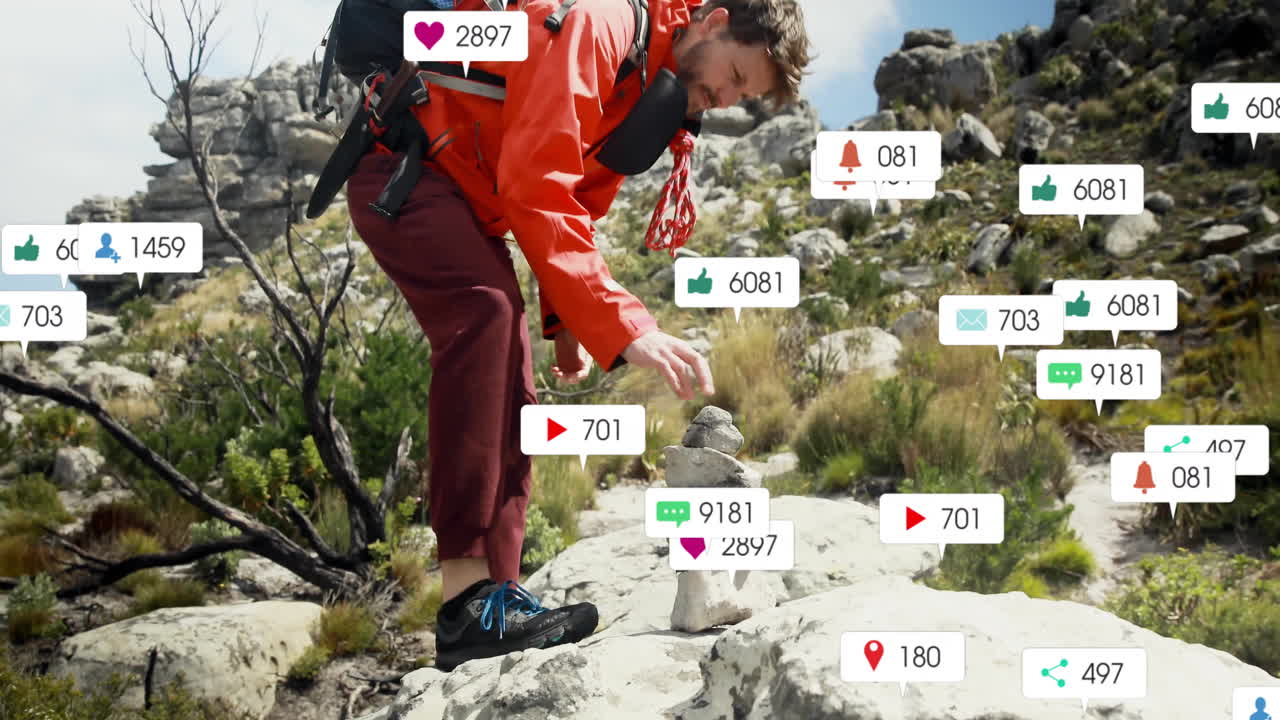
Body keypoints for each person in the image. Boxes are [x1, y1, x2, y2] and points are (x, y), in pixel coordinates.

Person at [345, 0, 810, 672]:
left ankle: (494, 599)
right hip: (403, 167)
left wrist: (566, 325)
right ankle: (465, 605)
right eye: (736, 75)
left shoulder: (653, 82)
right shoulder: (599, 23)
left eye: (745, 93)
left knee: (513, 375)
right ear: (711, 21)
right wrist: (626, 328)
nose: (729, 97)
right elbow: (537, 184)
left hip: (464, 194)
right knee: (486, 314)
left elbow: (579, 200)